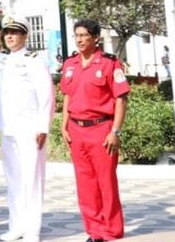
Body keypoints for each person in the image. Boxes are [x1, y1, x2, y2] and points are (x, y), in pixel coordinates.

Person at [0, 15, 54, 242]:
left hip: (29, 128)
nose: (9, 36)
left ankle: (32, 229)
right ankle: (17, 226)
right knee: (14, 179)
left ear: (25, 36)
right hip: (8, 127)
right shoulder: (1, 60)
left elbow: (46, 95)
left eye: (14, 32)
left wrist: (42, 126)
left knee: (32, 179)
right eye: (6, 32)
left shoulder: (35, 60)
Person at [60, 19, 129, 242]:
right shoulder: (70, 63)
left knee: (106, 182)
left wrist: (115, 131)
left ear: (95, 37)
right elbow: (67, 94)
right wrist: (64, 124)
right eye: (76, 35)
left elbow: (121, 98)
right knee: (85, 183)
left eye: (83, 35)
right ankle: (94, 231)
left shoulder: (109, 63)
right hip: (77, 130)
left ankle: (111, 231)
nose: (79, 39)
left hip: (101, 130)